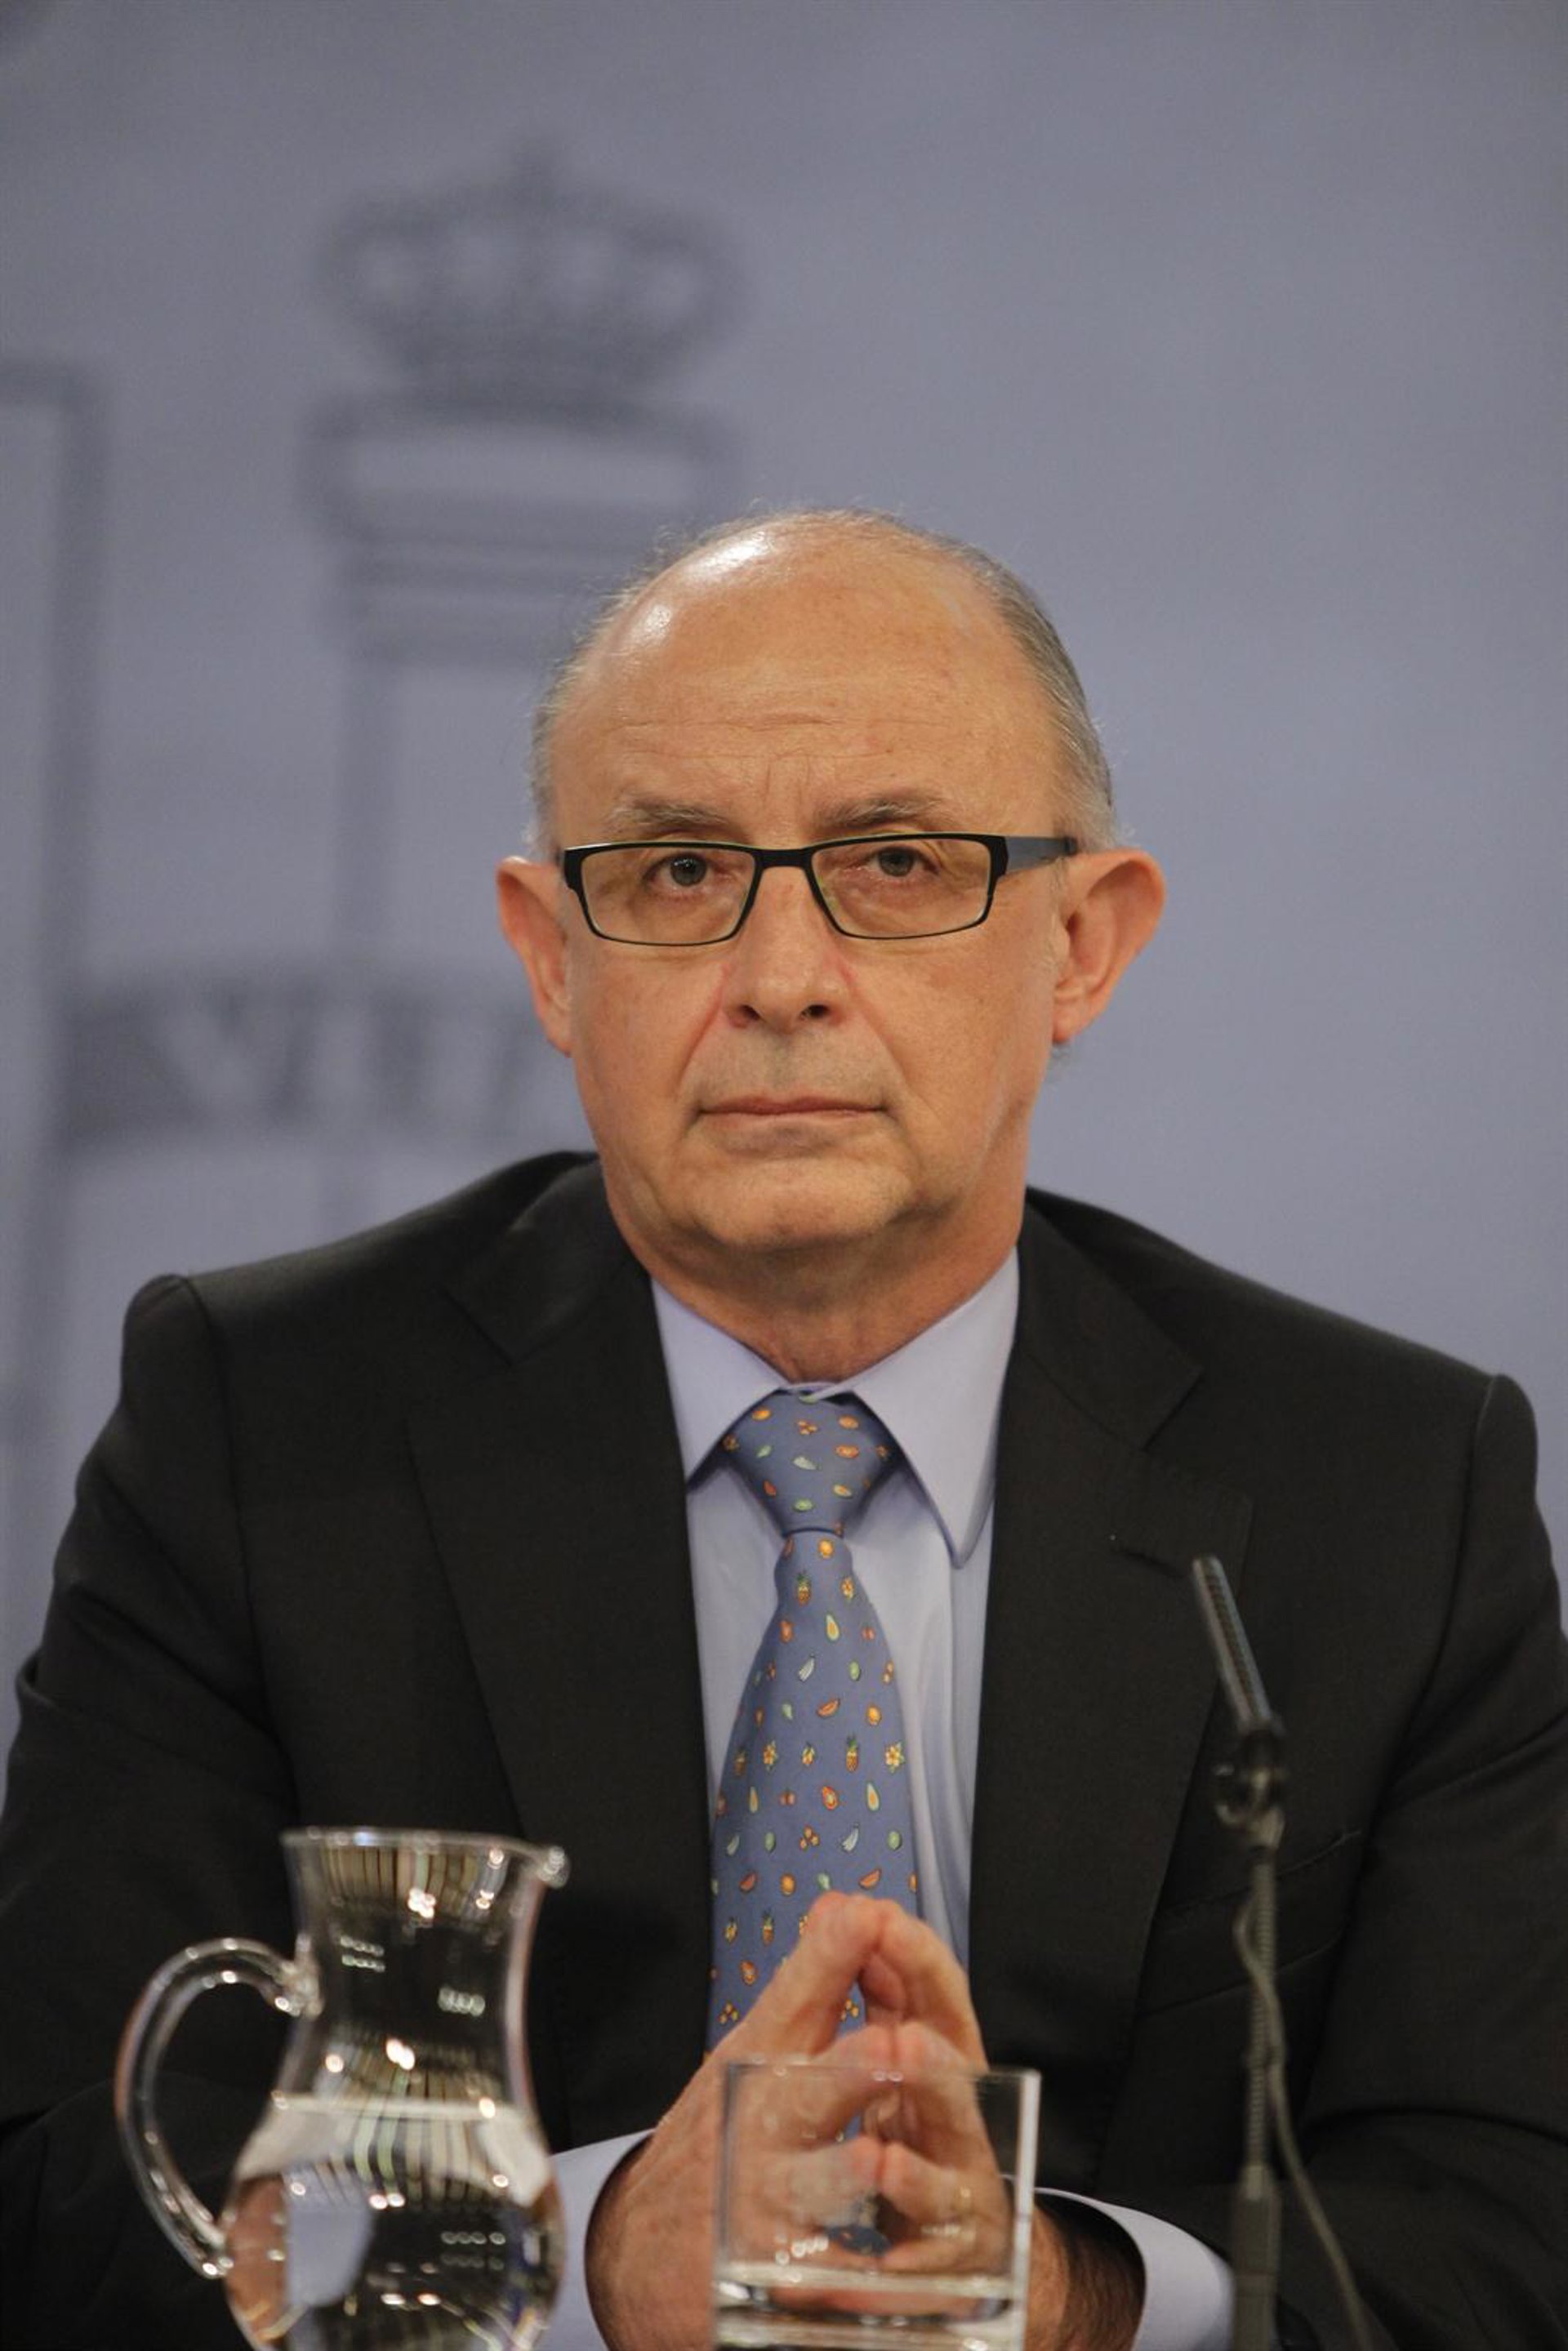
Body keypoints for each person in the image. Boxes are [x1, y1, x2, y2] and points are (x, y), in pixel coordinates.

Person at [0, 510, 1563, 2351]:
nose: (782, 976)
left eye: (897, 863)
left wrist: (1070, 2300)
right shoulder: (262, 1431)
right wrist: (572, 2260)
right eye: (677, 874)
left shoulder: (1385, 1494)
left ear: (1083, 944)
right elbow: (65, 2188)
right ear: (551, 957)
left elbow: (1506, 2230)